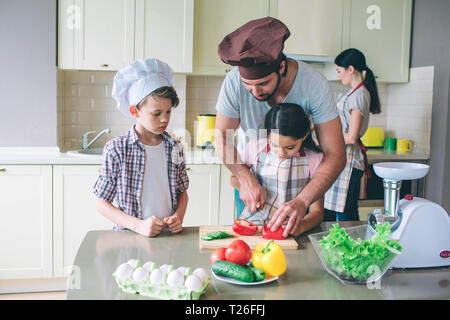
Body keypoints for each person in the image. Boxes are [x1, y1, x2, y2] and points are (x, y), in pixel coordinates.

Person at [214, 17, 346, 238]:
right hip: (251, 181)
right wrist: (245, 178)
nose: (255, 93)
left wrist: (303, 202)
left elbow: (336, 154)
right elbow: (221, 136)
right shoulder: (233, 82)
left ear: (282, 67)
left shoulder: (314, 85)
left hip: (299, 192)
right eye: (248, 86)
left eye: (263, 83)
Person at [93, 58, 189, 237]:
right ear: (134, 111)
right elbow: (101, 203)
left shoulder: (175, 146)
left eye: (168, 111)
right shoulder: (117, 149)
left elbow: (182, 192)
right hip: (130, 236)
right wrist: (138, 226)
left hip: (167, 234)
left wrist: (178, 216)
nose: (164, 119)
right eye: (156, 113)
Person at [231, 104, 324, 236]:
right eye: (274, 144)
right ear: (267, 134)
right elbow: (233, 179)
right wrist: (249, 185)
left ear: (304, 136)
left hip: (289, 231)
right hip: (255, 228)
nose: (281, 153)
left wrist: (301, 226)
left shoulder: (314, 160)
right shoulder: (255, 148)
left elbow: (317, 213)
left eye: (290, 147)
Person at [324, 48, 381, 221]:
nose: (339, 75)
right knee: (338, 211)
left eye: (339, 71)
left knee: (346, 213)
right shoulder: (354, 92)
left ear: (351, 69)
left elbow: (351, 136)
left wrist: (324, 142)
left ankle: (351, 246)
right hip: (343, 158)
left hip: (349, 160)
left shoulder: (360, 95)